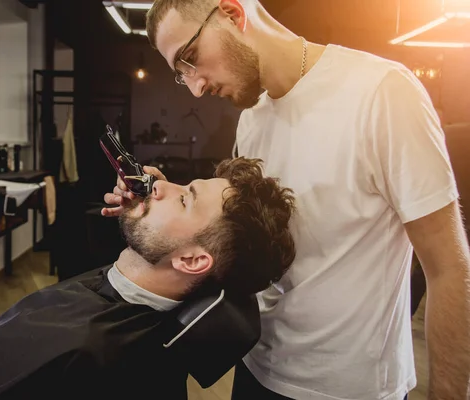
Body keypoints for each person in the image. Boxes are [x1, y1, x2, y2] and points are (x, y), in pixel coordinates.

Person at [102, 1, 470, 399]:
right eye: (182, 74)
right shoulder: (252, 118)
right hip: (258, 368)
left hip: (347, 388)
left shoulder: (382, 93)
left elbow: (450, 268)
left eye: (191, 58)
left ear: (232, 13)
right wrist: (161, 202)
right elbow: (228, 234)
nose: (196, 87)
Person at [0, 157, 296, 400]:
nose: (159, 185)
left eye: (185, 198)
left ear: (191, 260)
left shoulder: (93, 357)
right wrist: (144, 214)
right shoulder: (131, 297)